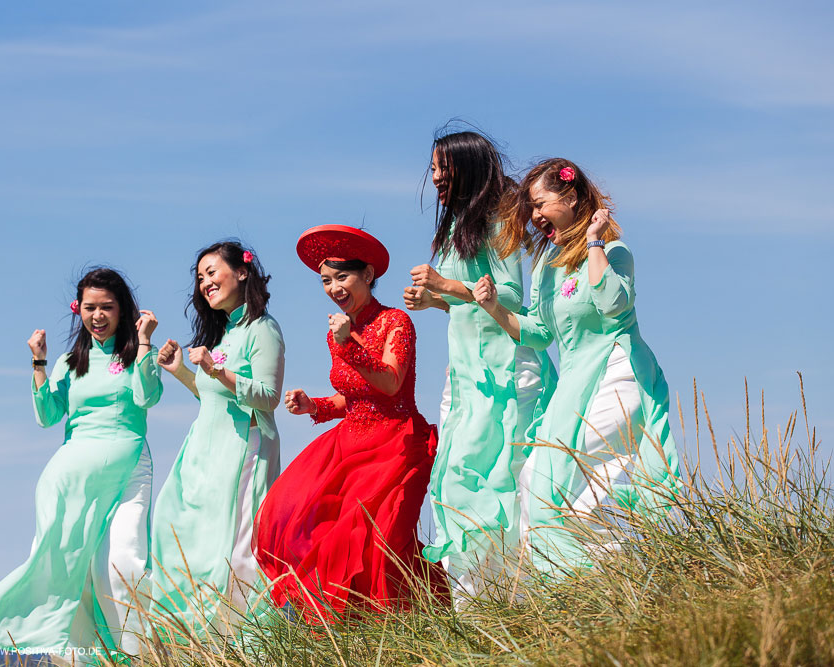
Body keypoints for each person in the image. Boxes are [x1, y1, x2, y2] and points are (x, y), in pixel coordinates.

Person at [0, 267, 162, 664]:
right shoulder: (70, 361)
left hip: (128, 472)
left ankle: (138, 657)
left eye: (106, 307)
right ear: (79, 310)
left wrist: (144, 343)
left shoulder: (135, 355)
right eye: (89, 308)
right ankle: (81, 659)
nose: (97, 316)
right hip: (70, 480)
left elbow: (147, 398)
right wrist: (38, 363)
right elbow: (47, 416)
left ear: (123, 309)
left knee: (122, 564)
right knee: (69, 573)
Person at [473, 157, 681, 575]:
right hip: (574, 383)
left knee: (586, 471)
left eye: (540, 203)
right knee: (538, 479)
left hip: (617, 372)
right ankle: (577, 584)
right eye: (531, 207)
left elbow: (613, 303)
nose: (534, 216)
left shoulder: (615, 252)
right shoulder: (547, 267)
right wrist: (494, 308)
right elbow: (539, 332)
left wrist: (594, 242)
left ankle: (615, 573)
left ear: (571, 197)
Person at [254, 225, 446, 621]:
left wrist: (350, 345)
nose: (333, 288)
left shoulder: (396, 322)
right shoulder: (338, 331)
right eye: (326, 280)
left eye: (342, 277)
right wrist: (315, 405)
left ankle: (418, 618)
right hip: (349, 445)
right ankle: (344, 626)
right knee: (297, 518)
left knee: (383, 544)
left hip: (395, 445)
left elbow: (391, 384)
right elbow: (354, 396)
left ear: (369, 275)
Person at [403, 130, 555, 602]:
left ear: (466, 166)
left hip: (506, 374)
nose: (435, 179)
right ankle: (477, 601)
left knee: (503, 481)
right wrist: (435, 301)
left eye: (441, 168)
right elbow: (471, 302)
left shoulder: (498, 219)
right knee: (456, 480)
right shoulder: (454, 228)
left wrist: (447, 284)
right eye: (432, 170)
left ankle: (519, 596)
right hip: (466, 375)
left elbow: (508, 297)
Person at [151, 241, 285, 635]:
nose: (205, 283)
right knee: (172, 524)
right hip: (206, 451)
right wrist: (181, 370)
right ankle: (196, 637)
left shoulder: (264, 328)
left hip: (244, 449)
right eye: (200, 278)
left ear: (242, 272)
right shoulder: (225, 334)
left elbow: (269, 397)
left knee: (238, 550)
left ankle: (253, 643)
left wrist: (217, 370)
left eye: (212, 272)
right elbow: (213, 394)